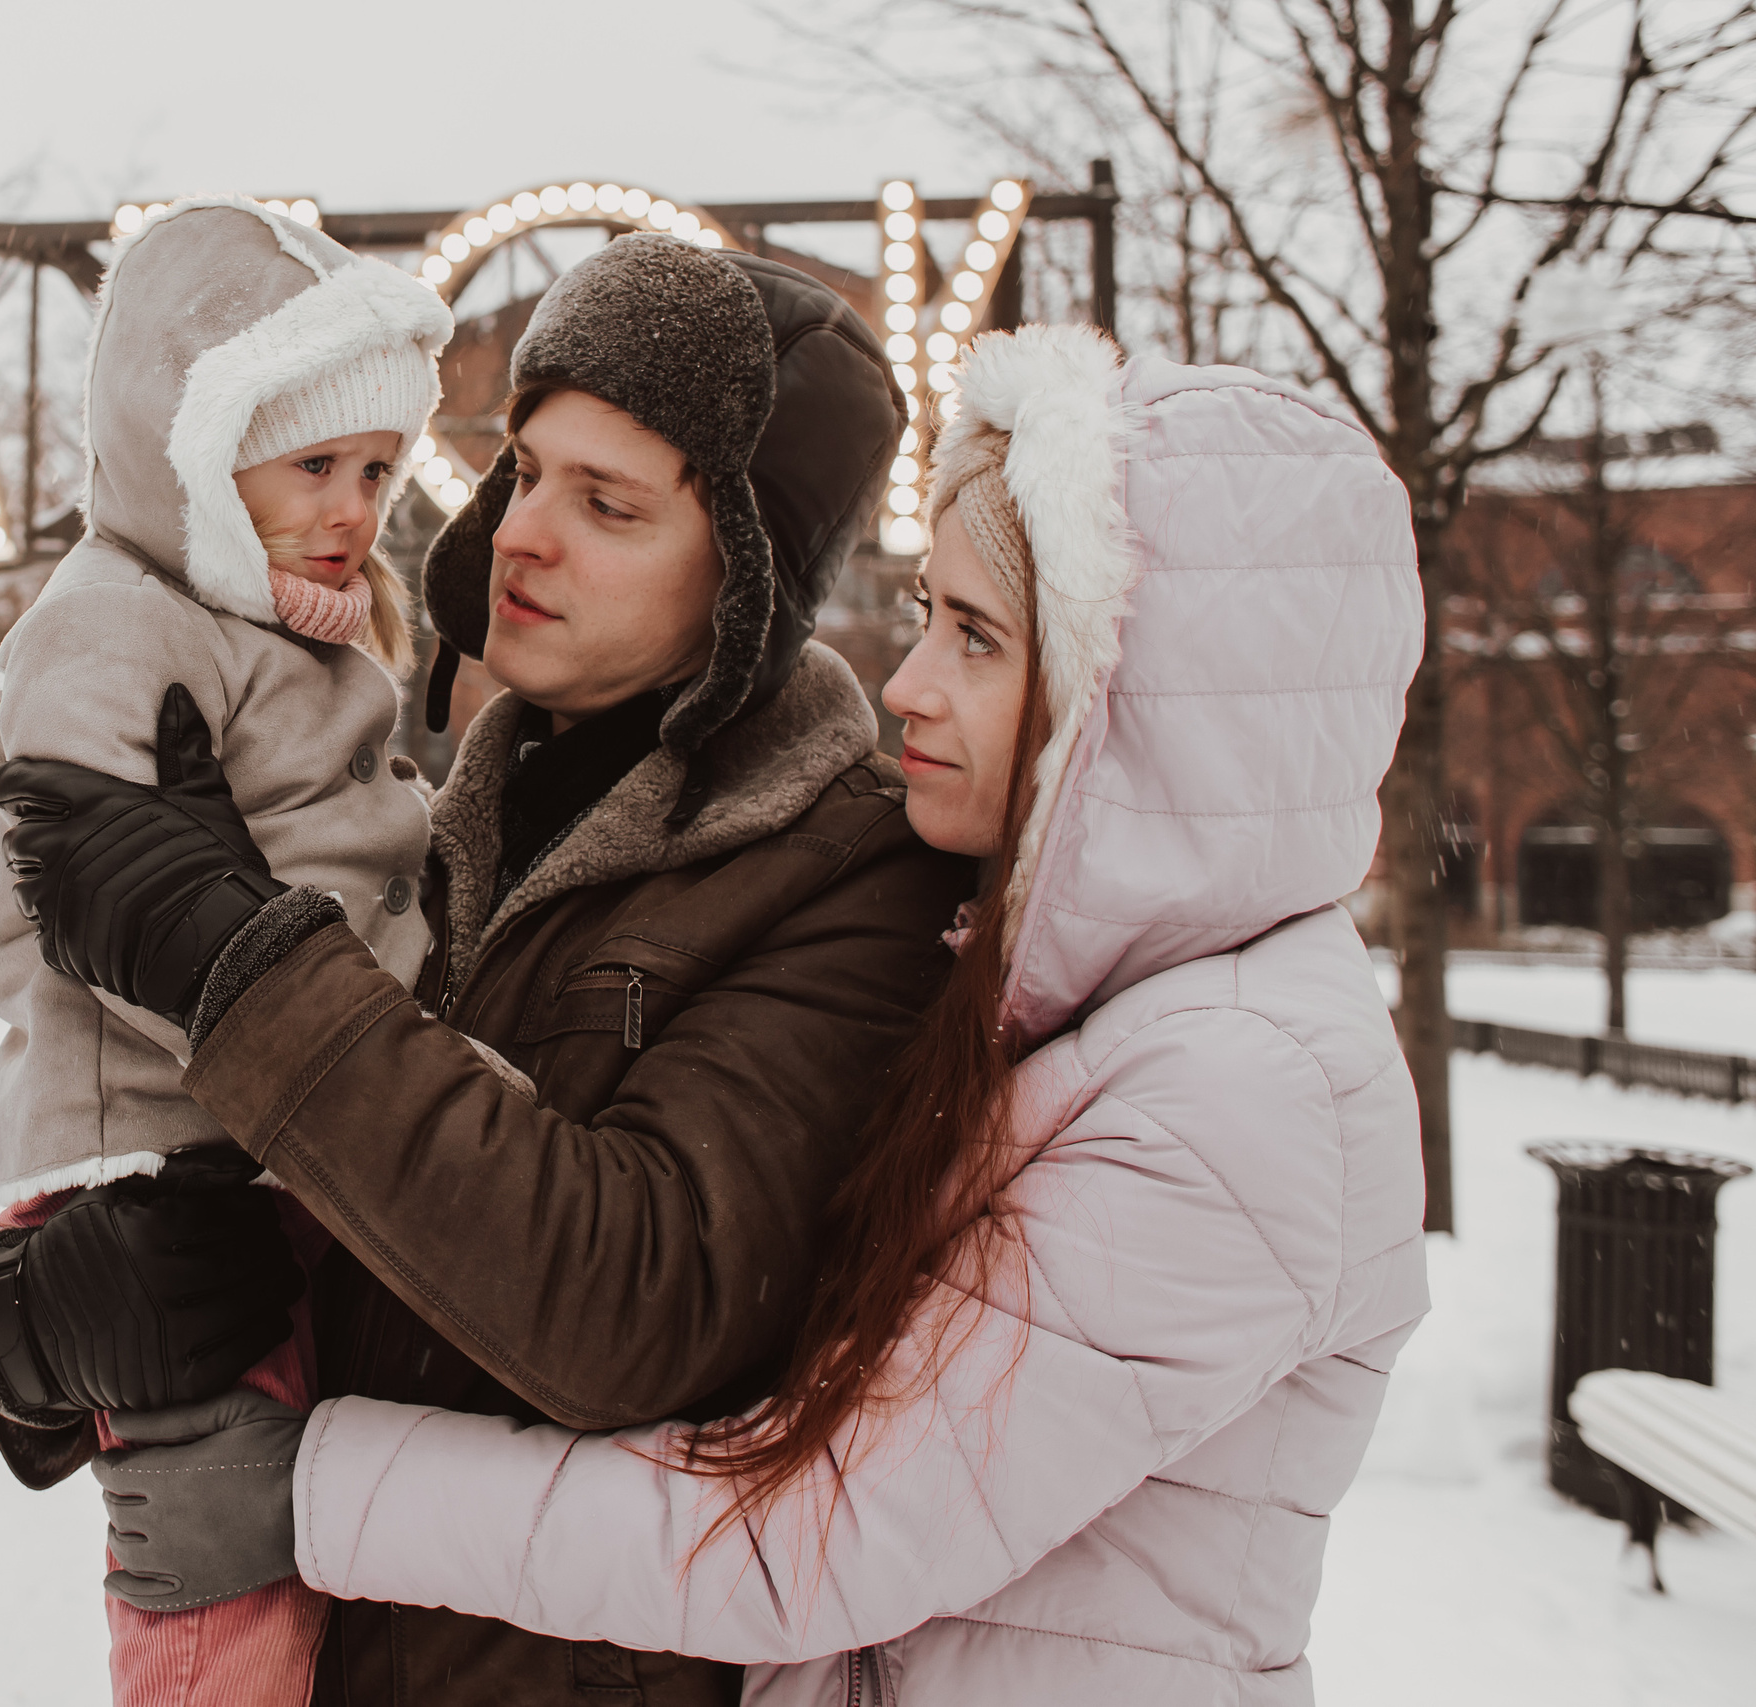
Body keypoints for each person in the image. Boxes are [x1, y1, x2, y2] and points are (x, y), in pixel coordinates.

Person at [74, 324, 1433, 1703]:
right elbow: (390, 1224)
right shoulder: (1068, 1013)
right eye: (926, 619)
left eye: (976, 637)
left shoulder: (1228, 1091)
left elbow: (809, 1526)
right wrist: (98, 1292)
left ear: (1140, 704)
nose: (908, 684)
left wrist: (310, 1492)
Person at [0, 232, 981, 1703]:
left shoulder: (854, 883)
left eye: (610, 504)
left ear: (747, 587)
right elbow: (331, 1242)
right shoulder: (428, 826)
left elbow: (638, 1304)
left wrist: (229, 966)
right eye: (521, 469)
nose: (517, 532)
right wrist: (39, 1333)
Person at [0, 194, 452, 1707]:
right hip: (154, 1161)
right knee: (218, 1547)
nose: (355, 505)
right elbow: (105, 907)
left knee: (308, 1521)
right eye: (312, 465)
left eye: (378, 467)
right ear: (189, 452)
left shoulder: (309, 628)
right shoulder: (109, 624)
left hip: (276, 1125)